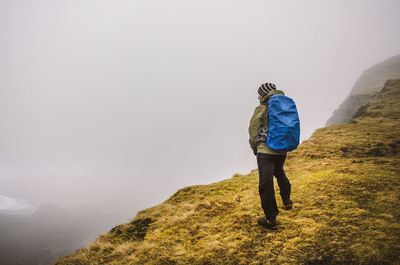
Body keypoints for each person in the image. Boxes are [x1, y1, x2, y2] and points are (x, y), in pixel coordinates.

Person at [248, 82, 293, 230]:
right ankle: (287, 201)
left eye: (259, 93)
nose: (258, 96)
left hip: (265, 151)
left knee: (265, 184)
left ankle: (270, 219)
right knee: (279, 172)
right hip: (281, 150)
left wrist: (255, 147)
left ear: (264, 94)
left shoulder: (262, 108)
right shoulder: (283, 105)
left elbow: (253, 130)